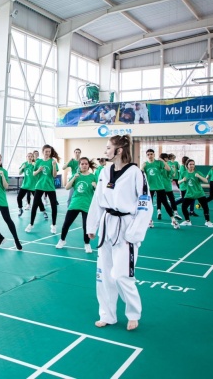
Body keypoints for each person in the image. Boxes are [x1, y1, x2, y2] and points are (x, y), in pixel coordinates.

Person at [87, 135, 152, 331]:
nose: (105, 151)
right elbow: (97, 200)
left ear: (119, 150)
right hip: (107, 225)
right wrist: (92, 226)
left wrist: (134, 233)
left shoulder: (136, 173)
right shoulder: (104, 172)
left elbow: (145, 204)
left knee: (122, 275)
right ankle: (107, 315)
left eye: (108, 148)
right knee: (104, 275)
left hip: (126, 228)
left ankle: (133, 314)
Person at [57, 157, 96, 253]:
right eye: (82, 164)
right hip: (75, 203)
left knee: (86, 226)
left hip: (87, 205)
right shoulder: (76, 175)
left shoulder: (93, 177)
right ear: (79, 165)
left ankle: (87, 244)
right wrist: (74, 177)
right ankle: (62, 240)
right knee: (66, 224)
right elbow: (67, 187)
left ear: (88, 165)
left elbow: (99, 191)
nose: (84, 165)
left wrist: (96, 186)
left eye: (86, 164)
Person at [141, 149, 180, 229]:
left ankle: (173, 220)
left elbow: (168, 169)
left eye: (151, 154)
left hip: (160, 186)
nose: (150, 156)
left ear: (154, 155)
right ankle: (149, 220)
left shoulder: (159, 163)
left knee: (165, 203)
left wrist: (162, 161)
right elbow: (140, 175)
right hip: (150, 188)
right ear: (146, 156)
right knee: (148, 205)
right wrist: (142, 168)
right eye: (148, 154)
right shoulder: (145, 164)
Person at [26, 144, 60, 234]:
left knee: (54, 206)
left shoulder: (52, 161)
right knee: (34, 205)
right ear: (43, 152)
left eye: (49, 151)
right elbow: (34, 174)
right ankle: (31, 224)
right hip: (39, 186)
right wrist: (39, 170)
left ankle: (53, 225)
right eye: (46, 151)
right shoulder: (38, 161)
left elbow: (54, 175)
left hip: (50, 186)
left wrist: (54, 166)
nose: (47, 153)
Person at [178, 159, 213, 228]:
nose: (192, 165)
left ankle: (208, 221)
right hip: (189, 193)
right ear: (187, 165)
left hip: (199, 193)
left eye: (193, 164)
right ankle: (187, 221)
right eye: (190, 164)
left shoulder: (198, 172)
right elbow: (178, 182)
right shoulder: (183, 173)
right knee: (183, 207)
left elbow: (206, 181)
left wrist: (199, 176)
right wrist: (183, 180)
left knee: (205, 207)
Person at [156, 153, 182, 221]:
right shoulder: (168, 165)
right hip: (167, 185)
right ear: (165, 158)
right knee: (171, 199)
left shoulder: (157, 165)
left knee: (159, 199)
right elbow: (172, 174)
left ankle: (159, 211)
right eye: (167, 158)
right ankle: (175, 212)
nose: (168, 159)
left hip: (159, 185)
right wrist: (171, 176)